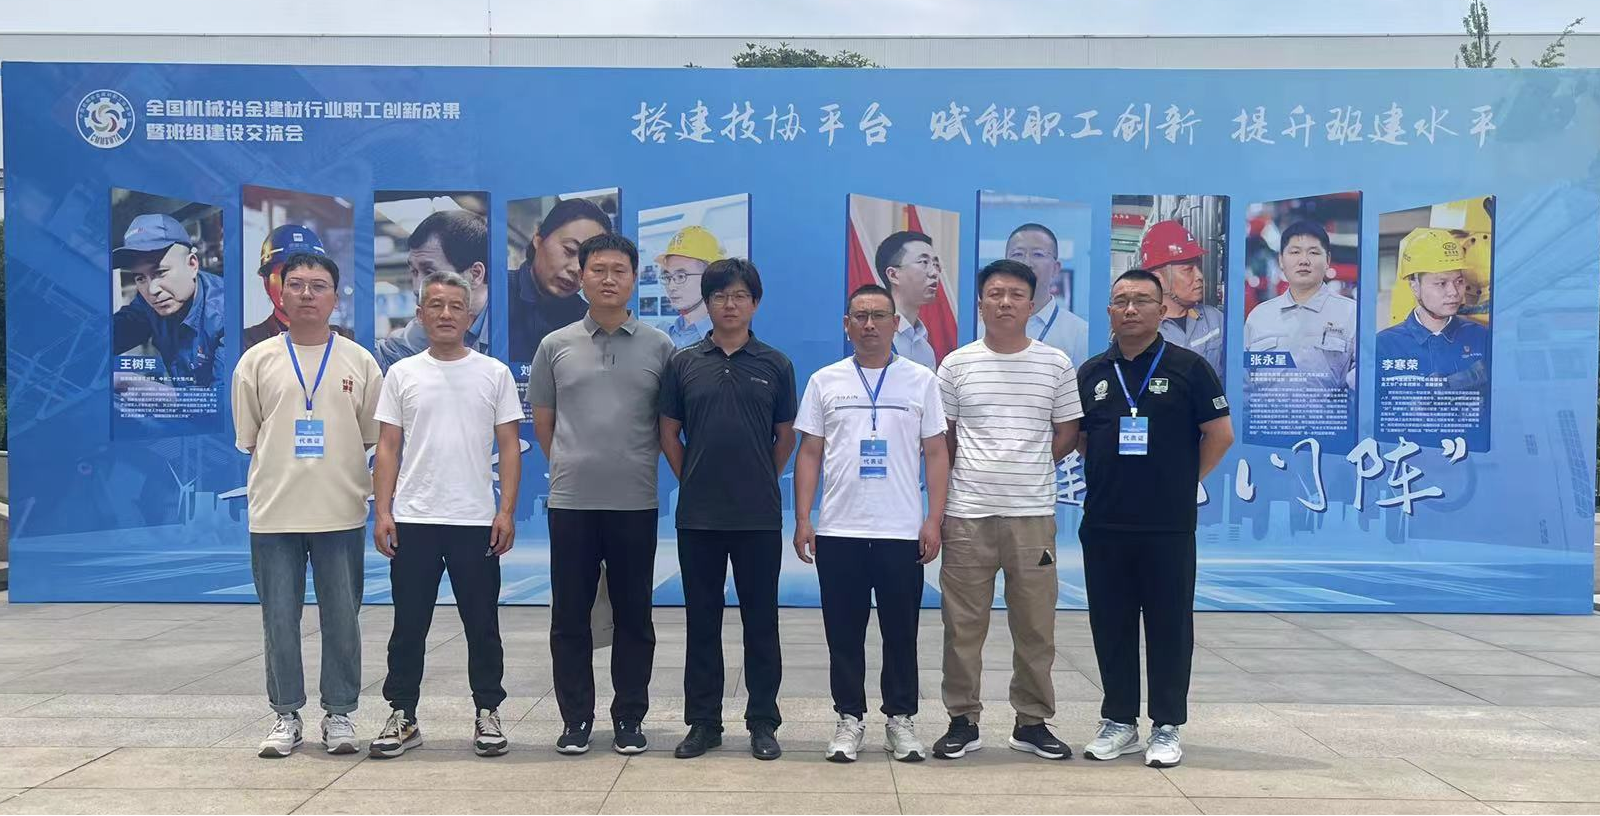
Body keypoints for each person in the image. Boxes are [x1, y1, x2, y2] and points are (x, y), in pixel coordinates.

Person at [1076, 269, 1234, 769]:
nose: (1130, 309)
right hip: (1104, 522)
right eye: (1121, 300)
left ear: (1162, 310)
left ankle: (1166, 725)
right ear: (1109, 311)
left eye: (1142, 300)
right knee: (1111, 625)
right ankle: (1119, 721)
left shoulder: (1190, 367)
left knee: (1169, 625)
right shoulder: (1093, 373)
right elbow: (1082, 439)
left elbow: (1220, 435)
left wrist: (1182, 480)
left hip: (1167, 524)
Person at [368, 270, 526, 760]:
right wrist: (383, 511)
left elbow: (510, 445)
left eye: (456, 306)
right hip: (414, 519)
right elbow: (388, 446)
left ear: (469, 315)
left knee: (482, 625)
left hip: (474, 520)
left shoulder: (493, 373)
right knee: (408, 625)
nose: (445, 314)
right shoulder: (402, 373)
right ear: (420, 314)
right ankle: (402, 714)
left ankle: (488, 712)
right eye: (435, 305)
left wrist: (505, 511)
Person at [529, 233, 675, 756]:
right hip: (572, 503)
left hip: (635, 501)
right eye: (598, 269)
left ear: (634, 279)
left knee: (635, 616)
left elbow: (667, 425)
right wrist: (573, 465)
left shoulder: (661, 347)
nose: (608, 279)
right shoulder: (555, 345)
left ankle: (629, 717)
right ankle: (576, 720)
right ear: (582, 277)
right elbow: (544, 423)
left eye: (619, 270)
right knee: (570, 615)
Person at [230, 252, 382, 759]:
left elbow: (369, 434)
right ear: (280, 293)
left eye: (319, 285)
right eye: (296, 284)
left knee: (343, 618)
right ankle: (285, 714)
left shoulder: (359, 361)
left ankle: (339, 712)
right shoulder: (257, 361)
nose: (307, 294)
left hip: (340, 510)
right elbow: (249, 436)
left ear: (335, 297)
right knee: (279, 619)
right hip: (275, 512)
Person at [793, 283, 951, 764]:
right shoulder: (825, 381)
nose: (869, 325)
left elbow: (936, 452)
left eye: (879, 315)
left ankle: (900, 719)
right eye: (859, 316)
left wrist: (934, 519)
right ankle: (849, 718)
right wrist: (803, 518)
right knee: (843, 632)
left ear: (895, 323)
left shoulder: (921, 381)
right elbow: (810, 452)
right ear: (847, 325)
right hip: (839, 530)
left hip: (900, 531)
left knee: (901, 631)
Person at [933, 259, 1082, 762]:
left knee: (1036, 625)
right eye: (995, 294)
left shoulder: (1055, 364)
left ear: (1032, 304)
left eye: (1016, 294)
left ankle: (1032, 722)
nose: (1005, 303)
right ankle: (962, 720)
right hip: (967, 514)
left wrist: (1029, 464)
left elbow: (1067, 432)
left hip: (1032, 515)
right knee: (962, 625)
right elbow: (944, 438)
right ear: (980, 303)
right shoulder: (956, 365)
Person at [658, 258, 797, 761]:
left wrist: (759, 476)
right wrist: (694, 477)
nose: (729, 304)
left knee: (761, 621)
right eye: (719, 295)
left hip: (758, 515)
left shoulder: (776, 364)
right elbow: (669, 434)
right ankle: (704, 723)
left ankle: (763, 722)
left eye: (740, 295)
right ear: (708, 302)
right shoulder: (683, 362)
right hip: (699, 516)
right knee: (702, 621)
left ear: (754, 303)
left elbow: (785, 437)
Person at [112, 213, 226, 387]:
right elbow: (112, 335)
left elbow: (225, 398)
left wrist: (142, 389)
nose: (152, 290)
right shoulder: (148, 304)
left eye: (160, 272)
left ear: (192, 265)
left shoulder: (227, 314)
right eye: (140, 278)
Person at [1242, 221, 1357, 390]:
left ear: (1327, 260)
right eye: (1295, 252)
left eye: (1313, 252)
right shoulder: (1258, 317)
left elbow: (1361, 385)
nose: (1304, 260)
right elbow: (1244, 383)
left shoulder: (1352, 314)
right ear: (1281, 260)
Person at [1374, 228, 1491, 391]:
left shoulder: (1482, 338)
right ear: (1415, 286)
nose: (1453, 292)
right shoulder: (1384, 346)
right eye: (1441, 283)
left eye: (1459, 281)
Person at [376, 209, 491, 371]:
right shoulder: (428, 326)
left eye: (430, 272)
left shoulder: (513, 325)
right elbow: (384, 360)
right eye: (414, 272)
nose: (417, 288)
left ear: (475, 274)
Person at [509, 197, 612, 362]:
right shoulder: (495, 295)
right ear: (538, 239)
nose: (576, 268)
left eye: (589, 262)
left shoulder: (588, 321)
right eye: (569, 250)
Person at [980, 223, 1089, 366]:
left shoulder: (1080, 333)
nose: (1026, 263)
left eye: (1038, 254)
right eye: (1018, 254)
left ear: (1055, 268)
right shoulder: (982, 329)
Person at [1138, 220, 1226, 381]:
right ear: (1158, 279)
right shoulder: (1141, 332)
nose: (1199, 276)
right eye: (1188, 270)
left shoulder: (1215, 320)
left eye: (1198, 267)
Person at [244, 224, 354, 351]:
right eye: (290, 277)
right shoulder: (245, 345)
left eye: (315, 280)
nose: (306, 292)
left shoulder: (349, 343)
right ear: (266, 282)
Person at [877, 230, 942, 370]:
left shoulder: (926, 350)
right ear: (893, 275)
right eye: (924, 262)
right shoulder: (873, 334)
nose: (934, 273)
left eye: (936, 264)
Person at [657, 225, 726, 349]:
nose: (671, 286)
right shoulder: (660, 335)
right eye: (667, 277)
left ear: (710, 278)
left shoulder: (726, 341)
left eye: (681, 276)